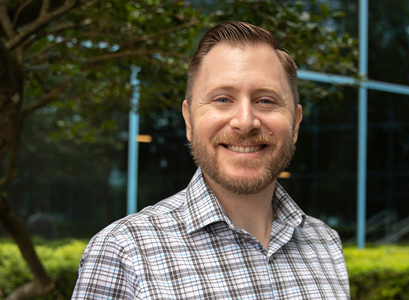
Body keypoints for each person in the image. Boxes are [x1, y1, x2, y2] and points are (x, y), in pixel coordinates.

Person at [72, 21, 350, 299]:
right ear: (189, 120)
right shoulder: (123, 252)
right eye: (222, 99)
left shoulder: (325, 243)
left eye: (265, 100)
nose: (245, 122)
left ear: (296, 124)